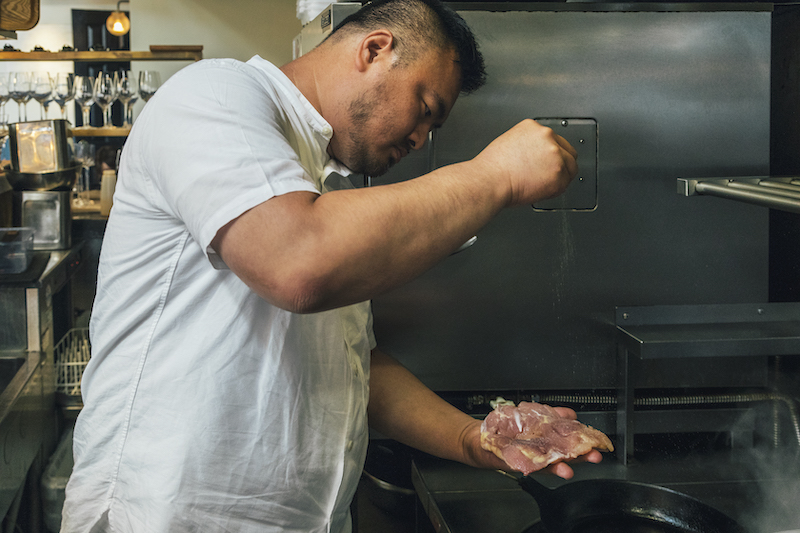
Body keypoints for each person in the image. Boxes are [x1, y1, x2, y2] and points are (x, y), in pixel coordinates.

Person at [62, 0, 600, 531]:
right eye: (426, 108)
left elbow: (348, 366)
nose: (419, 139)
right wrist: (495, 176)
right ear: (375, 49)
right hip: (167, 515)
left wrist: (472, 438)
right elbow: (297, 264)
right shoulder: (215, 95)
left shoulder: (319, 184)